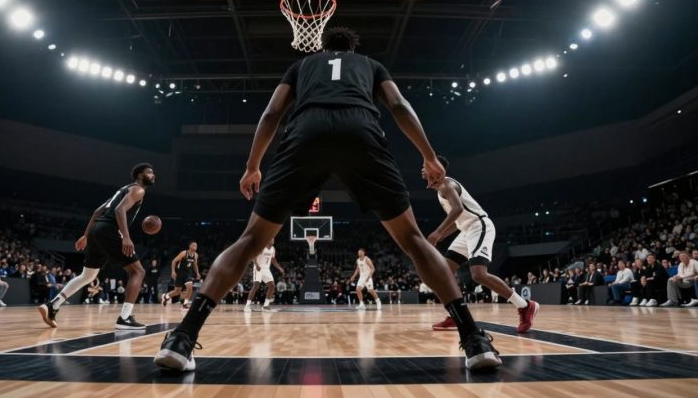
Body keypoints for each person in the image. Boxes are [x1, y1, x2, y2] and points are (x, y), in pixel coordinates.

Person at [154, 27, 501, 372]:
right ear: (352, 49)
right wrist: (429, 155)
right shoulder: (370, 65)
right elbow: (398, 105)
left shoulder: (301, 66)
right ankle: (473, 339)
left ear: (321, 45)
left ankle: (183, 337)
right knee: (412, 239)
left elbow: (272, 114)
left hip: (306, 131)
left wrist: (252, 165)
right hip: (361, 130)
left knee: (249, 241)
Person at [426, 158, 538, 333]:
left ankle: (524, 305)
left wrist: (438, 232)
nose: (422, 170)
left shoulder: (447, 185)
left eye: (424, 166)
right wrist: (439, 237)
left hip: (479, 226)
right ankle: (457, 315)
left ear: (436, 169)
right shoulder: (440, 190)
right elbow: (457, 222)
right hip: (466, 230)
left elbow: (458, 210)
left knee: (478, 275)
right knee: (443, 273)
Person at [38, 163, 155, 330]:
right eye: (149, 172)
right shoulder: (138, 190)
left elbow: (97, 211)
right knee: (138, 271)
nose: (153, 175)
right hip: (109, 230)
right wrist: (126, 237)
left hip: (97, 230)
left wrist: (86, 235)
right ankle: (125, 318)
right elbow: (120, 210)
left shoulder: (123, 190)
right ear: (139, 176)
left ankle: (52, 305)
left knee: (88, 276)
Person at [244, 239, 284, 311]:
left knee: (272, 286)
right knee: (256, 285)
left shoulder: (272, 249)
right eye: (271, 239)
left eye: (274, 239)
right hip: (258, 268)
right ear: (267, 240)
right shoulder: (262, 247)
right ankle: (247, 305)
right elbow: (254, 256)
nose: (273, 240)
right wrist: (256, 265)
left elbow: (273, 260)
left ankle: (265, 306)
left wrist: (279, 267)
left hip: (266, 269)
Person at [162, 242, 201, 309]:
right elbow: (174, 261)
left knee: (190, 287)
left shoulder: (196, 255)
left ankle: (185, 304)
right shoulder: (184, 253)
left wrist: (197, 273)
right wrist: (173, 271)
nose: (195, 246)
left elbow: (195, 265)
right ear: (190, 246)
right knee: (177, 291)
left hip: (188, 273)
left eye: (196, 245)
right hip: (180, 273)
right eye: (194, 245)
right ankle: (166, 296)